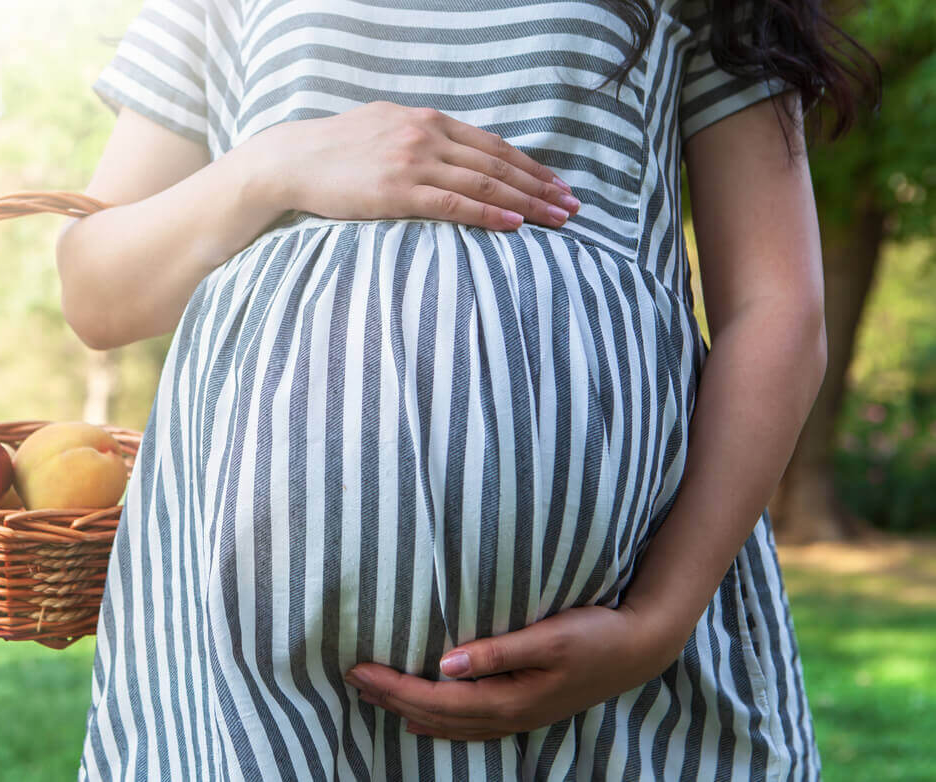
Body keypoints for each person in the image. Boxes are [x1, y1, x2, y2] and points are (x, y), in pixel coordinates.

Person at [57, 0, 876, 778]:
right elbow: (96, 290)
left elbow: (778, 307)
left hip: (614, 634)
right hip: (254, 664)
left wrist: (659, 620)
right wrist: (273, 165)